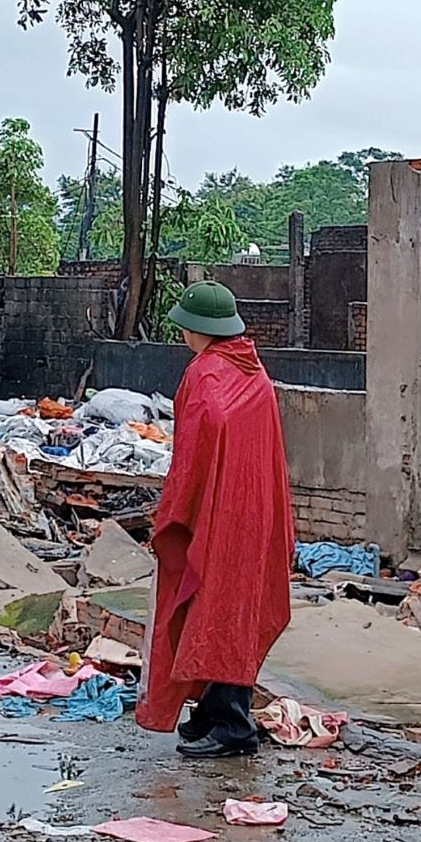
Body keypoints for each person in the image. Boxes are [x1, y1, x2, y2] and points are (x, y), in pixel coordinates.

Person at [136, 280, 294, 759]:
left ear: (195, 327)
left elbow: (194, 453)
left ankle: (233, 725)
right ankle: (211, 711)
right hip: (255, 512)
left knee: (212, 611)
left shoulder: (206, 374)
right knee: (235, 612)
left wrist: (174, 510)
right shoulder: (253, 372)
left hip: (217, 513)